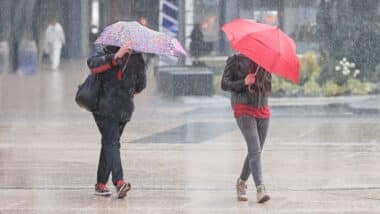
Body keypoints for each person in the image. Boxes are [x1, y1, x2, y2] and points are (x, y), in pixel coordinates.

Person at [87, 45, 147, 198]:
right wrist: (115, 58)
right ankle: (119, 181)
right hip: (104, 107)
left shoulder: (136, 57)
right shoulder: (107, 52)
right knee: (112, 142)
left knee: (109, 143)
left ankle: (101, 184)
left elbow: (140, 85)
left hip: (122, 109)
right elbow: (92, 65)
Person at [221, 54, 272, 203]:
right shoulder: (235, 59)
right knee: (254, 149)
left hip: (262, 108)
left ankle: (241, 183)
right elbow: (224, 84)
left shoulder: (264, 60)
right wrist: (244, 82)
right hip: (243, 108)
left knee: (255, 151)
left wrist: (261, 79)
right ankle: (260, 189)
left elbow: (268, 87)